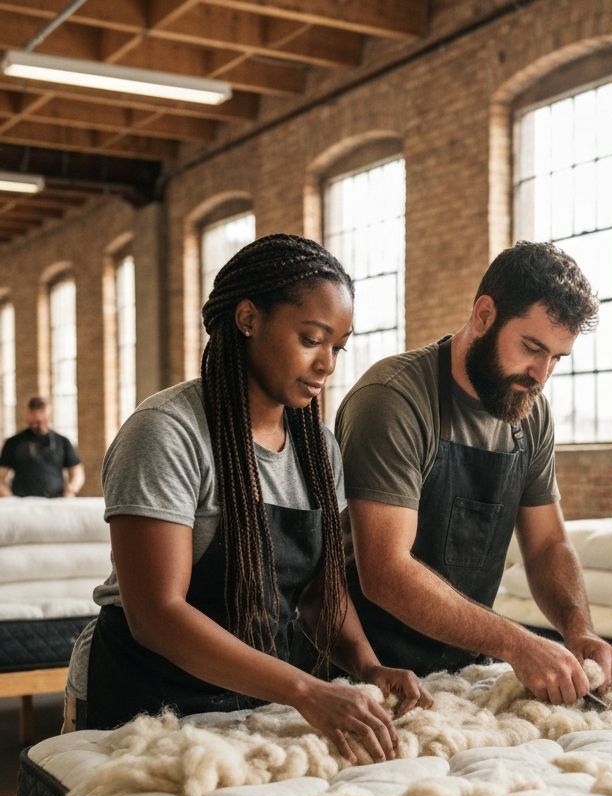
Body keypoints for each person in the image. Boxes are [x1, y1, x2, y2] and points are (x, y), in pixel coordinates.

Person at [65, 234, 430, 761]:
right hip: (144, 700)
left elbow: (314, 594)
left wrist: (368, 667)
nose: (327, 363)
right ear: (248, 319)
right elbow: (157, 615)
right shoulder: (167, 432)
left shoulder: (317, 448)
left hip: (251, 701)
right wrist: (305, 689)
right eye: (311, 338)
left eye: (337, 346)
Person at [334, 241, 612, 704]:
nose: (540, 375)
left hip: (462, 674)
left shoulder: (531, 412)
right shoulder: (393, 401)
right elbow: (385, 571)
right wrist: (515, 642)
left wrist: (578, 629)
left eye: (557, 358)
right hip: (366, 676)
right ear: (484, 315)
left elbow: (547, 545)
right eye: (531, 348)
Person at [0, 396, 84, 498]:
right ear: (28, 415)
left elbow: (77, 473)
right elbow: (1, 475)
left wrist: (71, 489)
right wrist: (8, 496)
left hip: (56, 501)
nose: (38, 425)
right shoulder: (13, 442)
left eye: (42, 421)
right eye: (35, 422)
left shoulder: (63, 442)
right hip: (22, 503)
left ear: (49, 416)